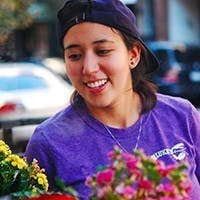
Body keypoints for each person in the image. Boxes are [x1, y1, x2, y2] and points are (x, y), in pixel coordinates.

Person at [25, 0, 200, 199]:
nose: (89, 68)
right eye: (74, 55)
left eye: (103, 51)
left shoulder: (182, 116)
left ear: (133, 55)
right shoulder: (49, 143)